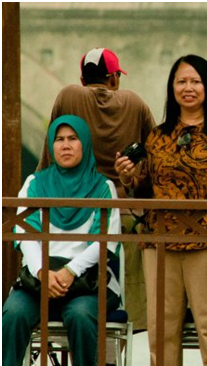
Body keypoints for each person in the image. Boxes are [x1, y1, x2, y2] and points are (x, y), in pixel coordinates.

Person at [115, 55, 207, 366]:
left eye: (195, 81)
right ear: (172, 88)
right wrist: (128, 176)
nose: (188, 88)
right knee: (161, 333)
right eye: (181, 82)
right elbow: (145, 189)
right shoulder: (158, 136)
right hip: (159, 242)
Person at [37, 47, 156, 332]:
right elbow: (156, 161)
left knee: (72, 287)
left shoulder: (69, 96)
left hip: (73, 217)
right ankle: (114, 351)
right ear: (114, 78)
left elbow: (48, 160)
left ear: (82, 79)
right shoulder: (135, 103)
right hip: (124, 218)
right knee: (121, 300)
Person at [3, 115, 122, 366]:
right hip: (39, 279)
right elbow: (25, 234)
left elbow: (104, 242)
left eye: (73, 139)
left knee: (81, 316)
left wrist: (70, 271)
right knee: (13, 314)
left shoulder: (103, 187)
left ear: (85, 144)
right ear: (51, 146)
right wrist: (43, 272)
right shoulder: (35, 184)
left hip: (87, 283)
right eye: (59, 140)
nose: (65, 145)